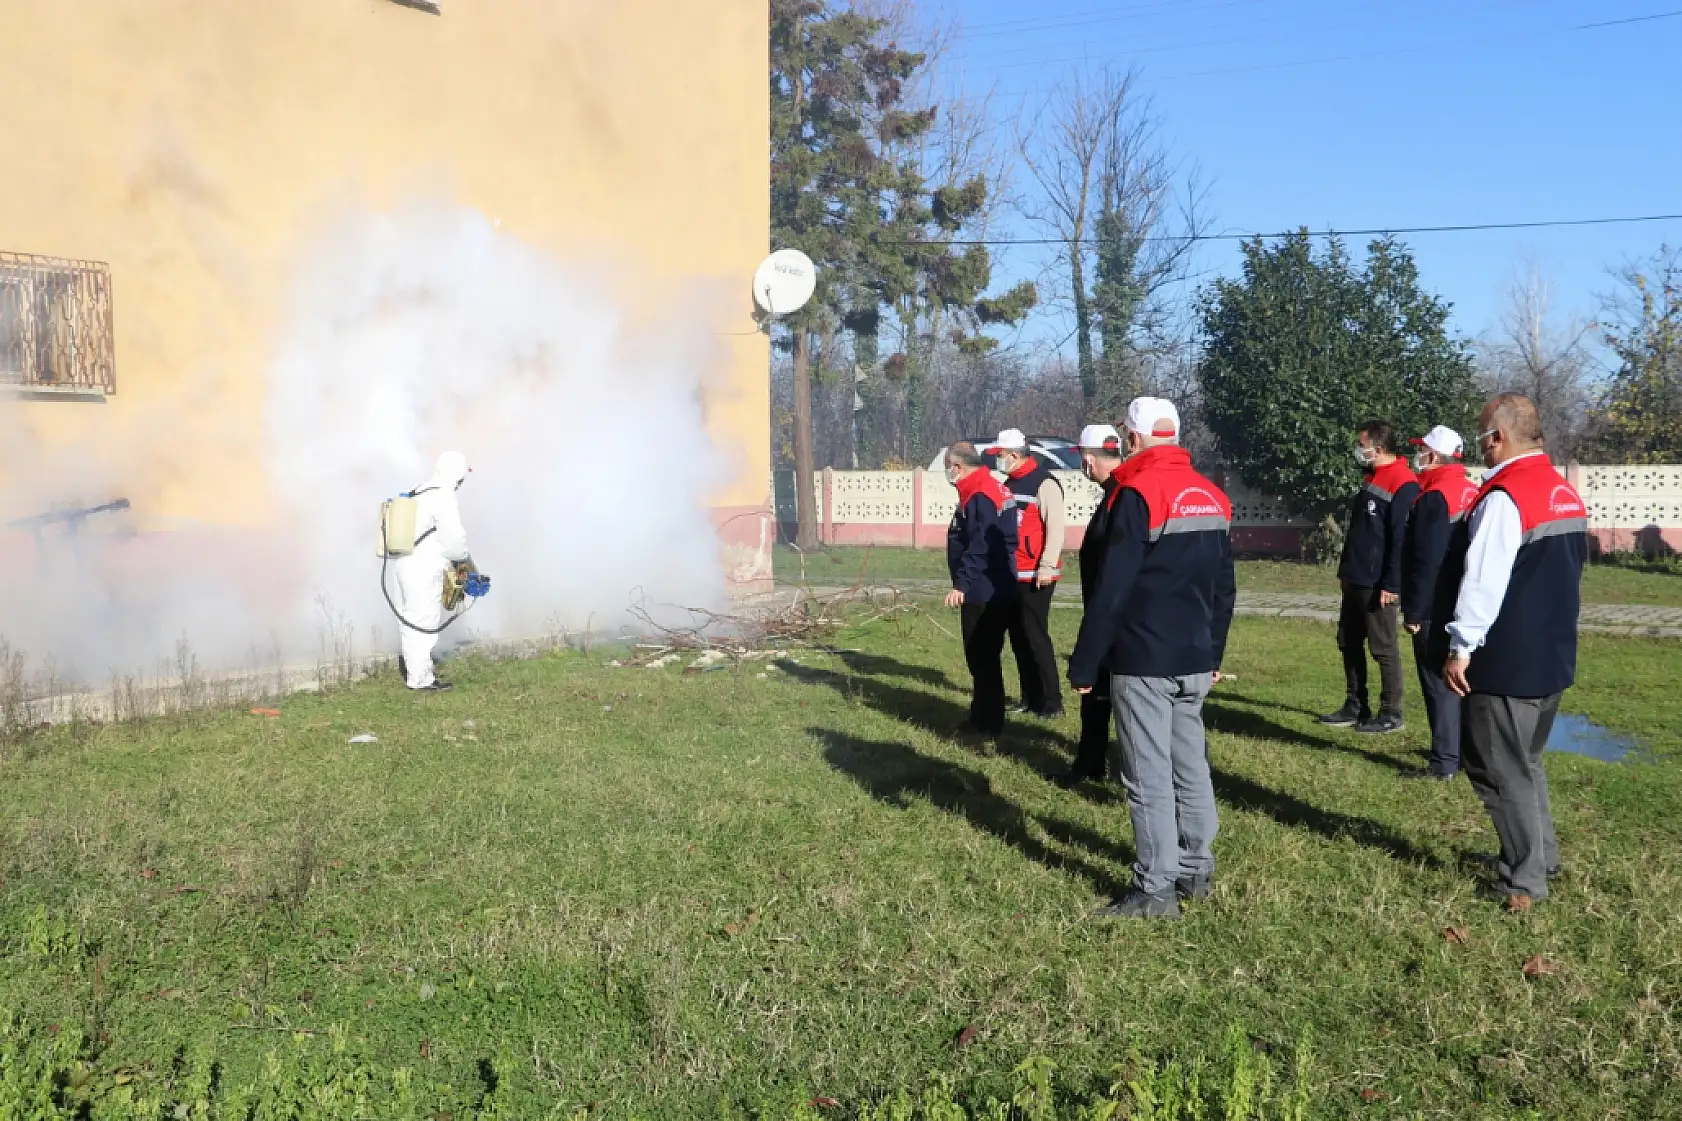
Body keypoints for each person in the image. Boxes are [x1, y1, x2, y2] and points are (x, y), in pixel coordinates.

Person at [1068, 398, 1237, 919]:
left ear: (1135, 438)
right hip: (1194, 657)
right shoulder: (1212, 496)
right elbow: (1224, 589)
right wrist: (1213, 652)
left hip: (1144, 659)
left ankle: (1155, 889)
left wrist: (1085, 662)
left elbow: (1111, 591)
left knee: (1148, 777)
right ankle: (1195, 869)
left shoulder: (1136, 494)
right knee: (1191, 766)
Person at [1437, 393, 1586, 910]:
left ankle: (1524, 877)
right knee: (1527, 762)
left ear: (1497, 437)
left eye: (1481, 433)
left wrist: (1460, 646)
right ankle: (1540, 857)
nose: (1480, 443)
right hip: (1553, 652)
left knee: (1497, 768)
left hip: (1508, 658)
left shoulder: (1506, 495)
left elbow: (1483, 580)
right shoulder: (1563, 491)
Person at [1320, 420, 1419, 735]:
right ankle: (1355, 705)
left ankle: (1391, 711)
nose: (1358, 450)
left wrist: (1392, 583)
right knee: (1348, 641)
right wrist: (1345, 571)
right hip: (1355, 577)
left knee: (1383, 648)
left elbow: (1398, 540)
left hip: (1378, 583)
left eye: (1361, 444)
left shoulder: (1403, 482)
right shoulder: (1371, 478)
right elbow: (1360, 533)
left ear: (1377, 448)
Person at [1400, 425, 1481, 779]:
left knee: (1437, 681)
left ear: (1433, 455)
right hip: (1468, 599)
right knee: (1463, 680)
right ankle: (1464, 750)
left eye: (1422, 451)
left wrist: (1414, 611)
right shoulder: (1472, 490)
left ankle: (1445, 761)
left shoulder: (1434, 496)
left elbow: (1425, 559)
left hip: (1436, 604)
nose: (1417, 457)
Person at [1055, 423, 1126, 788]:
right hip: (1105, 613)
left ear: (1087, 460)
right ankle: (1090, 763)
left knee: (1109, 697)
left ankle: (1100, 765)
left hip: (1113, 617)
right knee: (1096, 697)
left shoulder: (1121, 497)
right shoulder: (1113, 493)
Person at [986, 428, 1069, 720]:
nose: (997, 460)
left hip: (1037, 573)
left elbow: (1056, 529)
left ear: (1015, 455)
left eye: (1000, 456)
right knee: (1018, 637)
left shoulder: (1045, 483)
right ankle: (1030, 697)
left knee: (1035, 636)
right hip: (1012, 573)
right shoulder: (1009, 483)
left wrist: (1046, 566)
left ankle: (1052, 701)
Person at [944, 441, 1019, 738]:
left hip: (985, 590)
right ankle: (981, 716)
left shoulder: (980, 495)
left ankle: (988, 723)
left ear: (959, 466)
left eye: (948, 468)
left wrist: (962, 583)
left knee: (982, 655)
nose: (948, 474)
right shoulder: (987, 487)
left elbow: (981, 545)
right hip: (991, 586)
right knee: (983, 656)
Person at [395, 450, 473, 692]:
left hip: (402, 563)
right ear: (457, 475)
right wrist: (464, 564)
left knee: (409, 621)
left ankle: (415, 672)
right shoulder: (443, 495)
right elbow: (454, 540)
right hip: (423, 567)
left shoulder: (418, 490)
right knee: (423, 624)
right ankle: (421, 681)